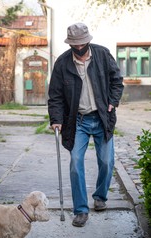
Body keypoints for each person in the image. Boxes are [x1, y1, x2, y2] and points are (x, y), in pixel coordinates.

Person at [48, 22, 124, 227]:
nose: (79, 48)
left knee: (107, 162)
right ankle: (80, 210)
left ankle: (100, 197)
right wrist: (56, 119)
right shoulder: (63, 63)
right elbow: (54, 95)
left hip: (101, 117)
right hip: (77, 121)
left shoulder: (102, 54)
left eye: (82, 43)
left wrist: (112, 101)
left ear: (88, 41)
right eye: (75, 44)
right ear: (70, 44)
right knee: (75, 162)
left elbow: (117, 80)